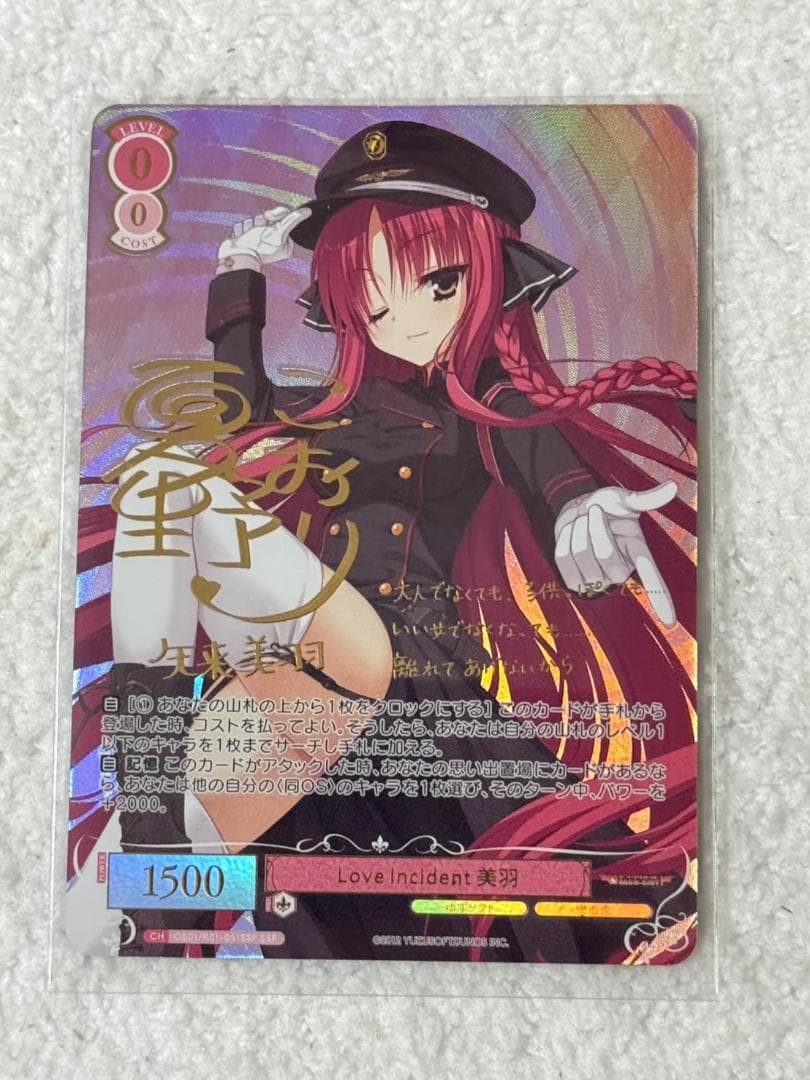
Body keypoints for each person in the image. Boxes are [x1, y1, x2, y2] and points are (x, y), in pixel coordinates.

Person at [76, 121, 698, 962]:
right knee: (153, 898)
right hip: (305, 674)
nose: (398, 316)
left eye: (437, 283)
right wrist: (237, 279)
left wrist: (580, 505)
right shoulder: (330, 411)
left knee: (163, 483)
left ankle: (150, 807)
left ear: (488, 276)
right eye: (369, 296)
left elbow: (543, 453)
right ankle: (150, 830)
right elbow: (241, 422)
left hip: (399, 677)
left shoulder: (489, 405)